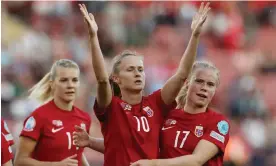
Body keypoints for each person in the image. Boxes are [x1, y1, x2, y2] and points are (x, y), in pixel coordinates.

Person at [74, 2, 210, 166]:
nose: (138, 73)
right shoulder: (112, 107)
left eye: (140, 69)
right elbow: (102, 79)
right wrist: (93, 36)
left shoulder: (156, 104)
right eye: (130, 69)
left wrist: (195, 36)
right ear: (117, 78)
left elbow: (181, 75)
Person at [131, 61, 230, 166]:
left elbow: (196, 161)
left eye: (210, 84)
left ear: (214, 90)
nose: (204, 88)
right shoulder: (168, 115)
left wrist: (152, 164)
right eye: (199, 81)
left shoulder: (218, 123)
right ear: (187, 83)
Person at [14, 59, 91, 166]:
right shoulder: (38, 117)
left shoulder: (84, 118)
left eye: (74, 80)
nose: (70, 85)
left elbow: (77, 154)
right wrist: (55, 165)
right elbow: (19, 161)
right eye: (64, 80)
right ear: (52, 84)